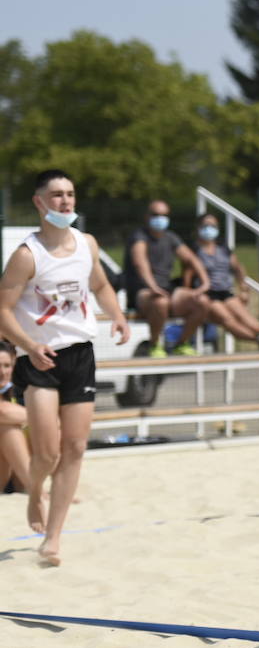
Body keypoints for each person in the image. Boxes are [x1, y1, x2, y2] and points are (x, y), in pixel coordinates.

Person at [0, 169, 131, 566]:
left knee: (74, 447)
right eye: (56, 195)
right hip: (39, 356)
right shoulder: (27, 255)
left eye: (70, 194)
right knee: (47, 451)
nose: (66, 201)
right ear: (40, 203)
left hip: (79, 354)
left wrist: (118, 316)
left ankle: (53, 537)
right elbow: (2, 310)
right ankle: (35, 490)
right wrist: (27, 345)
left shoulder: (86, 244)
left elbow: (102, 285)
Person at [124, 200, 210, 357]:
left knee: (202, 301)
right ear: (147, 216)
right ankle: (155, 344)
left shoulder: (171, 237)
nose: (160, 219)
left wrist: (205, 283)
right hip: (143, 291)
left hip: (166, 288)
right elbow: (140, 262)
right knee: (160, 302)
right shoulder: (139, 237)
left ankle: (182, 343)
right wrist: (152, 286)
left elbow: (191, 259)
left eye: (164, 215)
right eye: (156, 215)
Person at [186, 213, 259, 347]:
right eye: (206, 225)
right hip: (208, 295)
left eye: (213, 226)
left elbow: (237, 268)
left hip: (225, 292)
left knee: (247, 318)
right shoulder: (194, 250)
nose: (209, 229)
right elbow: (188, 275)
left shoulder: (223, 248)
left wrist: (243, 289)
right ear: (198, 228)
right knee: (227, 319)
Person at [0, 342, 32, 495]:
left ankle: (33, 488)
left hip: (12, 474)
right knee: (8, 428)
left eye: (7, 366)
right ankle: (36, 491)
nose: (2, 372)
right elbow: (3, 412)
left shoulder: (14, 391)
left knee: (43, 431)